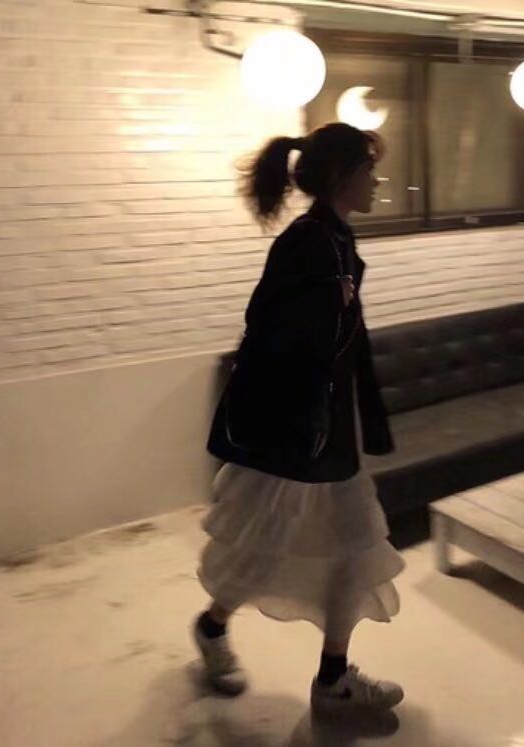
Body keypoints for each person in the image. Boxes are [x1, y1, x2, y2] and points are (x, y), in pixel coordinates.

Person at [193, 122, 406, 714]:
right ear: (342, 176)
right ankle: (211, 628)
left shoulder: (335, 239)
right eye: (369, 170)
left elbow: (341, 342)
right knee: (265, 540)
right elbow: (268, 332)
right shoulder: (307, 242)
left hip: (328, 430)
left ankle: (332, 678)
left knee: (353, 545)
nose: (376, 181)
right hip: (295, 434)